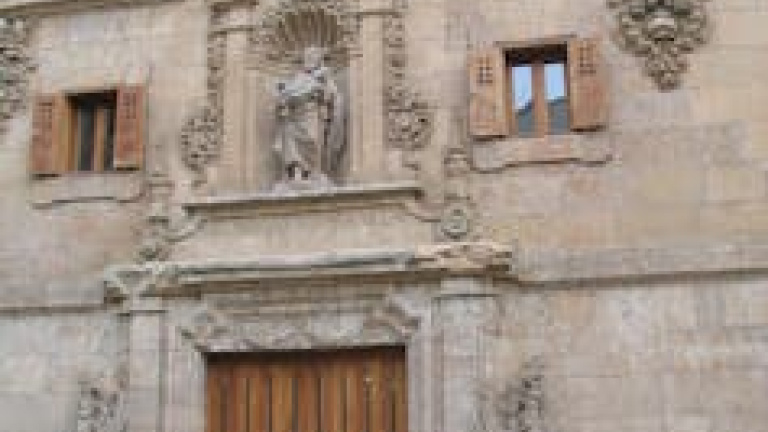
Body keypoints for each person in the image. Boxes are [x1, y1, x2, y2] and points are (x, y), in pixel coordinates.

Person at [273, 46, 346, 184]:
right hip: (294, 116)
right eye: (307, 57)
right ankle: (297, 171)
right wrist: (283, 96)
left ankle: (314, 172)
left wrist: (323, 88)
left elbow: (333, 97)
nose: (309, 59)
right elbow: (286, 94)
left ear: (318, 60)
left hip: (313, 115)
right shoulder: (298, 77)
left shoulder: (324, 76)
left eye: (312, 57)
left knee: (313, 139)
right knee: (291, 141)